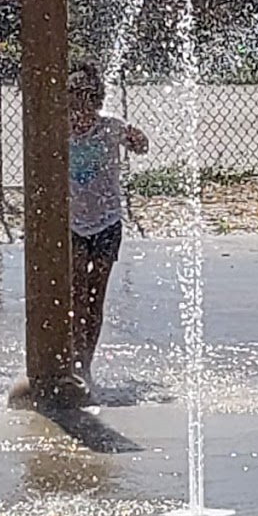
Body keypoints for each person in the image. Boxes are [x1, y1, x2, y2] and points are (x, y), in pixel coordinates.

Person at [67, 58, 148, 399]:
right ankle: (70, 360)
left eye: (85, 94)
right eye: (72, 93)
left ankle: (86, 362)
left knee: (95, 294)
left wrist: (136, 138)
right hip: (72, 222)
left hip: (107, 221)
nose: (79, 102)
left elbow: (141, 145)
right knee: (76, 292)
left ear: (96, 97)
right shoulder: (58, 130)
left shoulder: (111, 127)